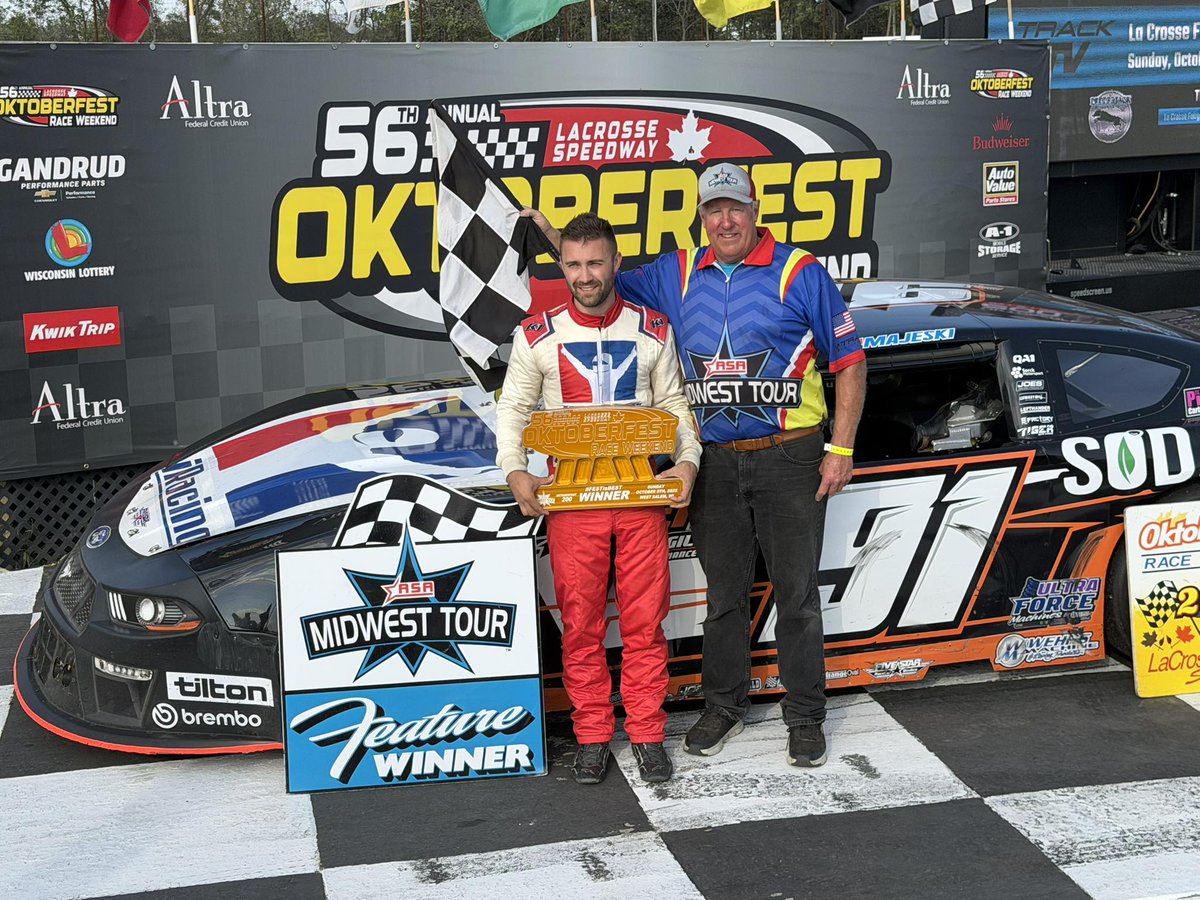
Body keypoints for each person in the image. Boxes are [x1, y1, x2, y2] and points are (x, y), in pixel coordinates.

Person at [523, 162, 866, 768]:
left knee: (798, 595)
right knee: (724, 598)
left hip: (790, 457)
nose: (725, 219)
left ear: (755, 208)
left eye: (734, 207)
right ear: (701, 216)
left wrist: (840, 448)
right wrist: (556, 238)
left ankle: (806, 714)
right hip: (711, 463)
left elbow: (849, 360)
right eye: (713, 209)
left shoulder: (800, 271)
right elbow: (599, 273)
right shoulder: (677, 272)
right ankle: (723, 705)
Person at [496, 212, 701, 786]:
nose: (585, 275)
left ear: (614, 263)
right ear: (562, 264)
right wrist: (516, 471)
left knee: (644, 624)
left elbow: (677, 406)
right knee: (581, 626)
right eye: (574, 264)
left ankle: (647, 733)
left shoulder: (653, 328)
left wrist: (687, 462)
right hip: (572, 502)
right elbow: (512, 409)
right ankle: (591, 736)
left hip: (640, 498)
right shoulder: (536, 333)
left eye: (595, 263)